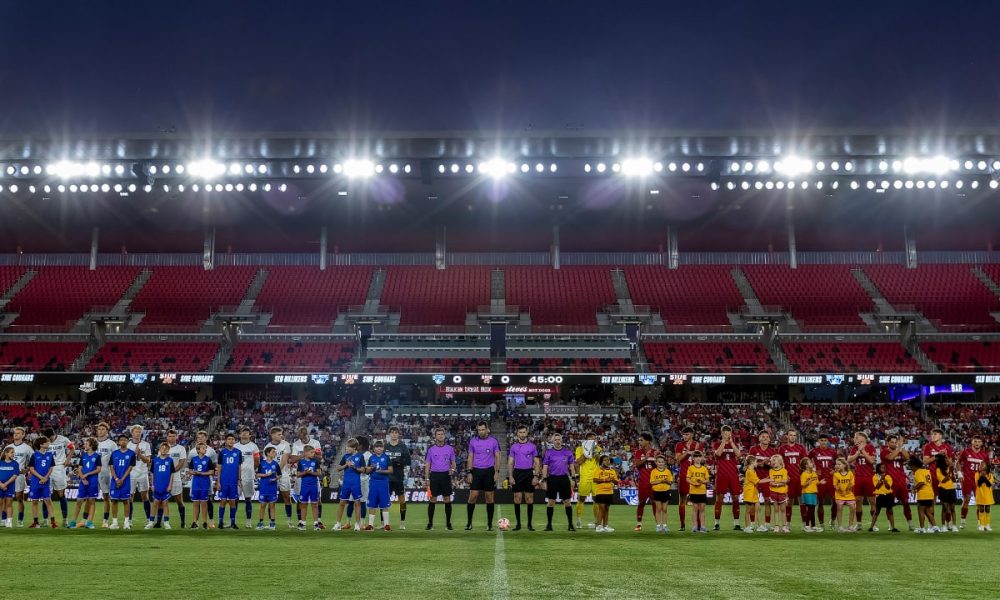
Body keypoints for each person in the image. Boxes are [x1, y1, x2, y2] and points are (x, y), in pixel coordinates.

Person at [465, 421, 501, 531]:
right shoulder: (473, 441)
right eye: (479, 430)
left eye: (482, 429)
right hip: (476, 471)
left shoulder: (494, 441)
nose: (481, 432)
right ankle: (469, 523)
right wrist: (469, 472)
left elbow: (497, 456)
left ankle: (489, 524)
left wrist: (497, 472)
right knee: (473, 496)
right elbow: (470, 457)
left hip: (489, 471)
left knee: (489, 498)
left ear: (487, 429)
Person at [541, 432, 576, 532]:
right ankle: (549, 525)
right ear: (552, 441)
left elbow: (572, 467)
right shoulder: (549, 452)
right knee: (551, 502)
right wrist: (544, 480)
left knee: (567, 502)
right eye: (555, 439)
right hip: (552, 479)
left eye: (559, 439)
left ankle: (570, 525)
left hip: (564, 479)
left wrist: (573, 479)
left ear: (561, 440)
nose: (557, 441)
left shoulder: (567, 452)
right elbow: (545, 467)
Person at [507, 423, 539, 531]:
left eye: (524, 432)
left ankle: (529, 524)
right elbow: (510, 462)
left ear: (527, 433)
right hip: (517, 473)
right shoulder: (513, 447)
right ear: (517, 434)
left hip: (529, 473)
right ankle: (518, 524)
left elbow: (537, 462)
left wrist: (536, 476)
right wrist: (510, 476)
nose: (522, 434)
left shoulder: (532, 446)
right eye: (520, 432)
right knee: (517, 498)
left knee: (529, 499)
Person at [424, 427, 456, 531]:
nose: (440, 436)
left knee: (447, 499)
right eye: (438, 434)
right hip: (434, 476)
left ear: (444, 435)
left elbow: (453, 462)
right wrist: (427, 479)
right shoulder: (431, 449)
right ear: (435, 436)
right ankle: (430, 523)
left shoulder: (450, 449)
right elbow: (427, 464)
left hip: (445, 476)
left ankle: (448, 523)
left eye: (442, 434)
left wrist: (452, 468)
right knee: (433, 499)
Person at [292, 426, 324, 529]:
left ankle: (317, 521)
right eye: (301, 438)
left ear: (307, 434)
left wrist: (313, 456)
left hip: (313, 482)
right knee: (301, 501)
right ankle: (301, 521)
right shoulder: (296, 445)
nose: (303, 440)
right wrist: (303, 457)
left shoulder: (315, 443)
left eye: (304, 437)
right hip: (302, 481)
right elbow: (292, 460)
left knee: (316, 501)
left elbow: (320, 458)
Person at [880, 434, 913, 531]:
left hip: (901, 481)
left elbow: (907, 457)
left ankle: (910, 524)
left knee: (906, 503)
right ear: (888, 443)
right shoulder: (884, 451)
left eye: (895, 442)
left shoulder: (899, 450)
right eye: (892, 442)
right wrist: (899, 448)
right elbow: (890, 458)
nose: (894, 444)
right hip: (890, 482)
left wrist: (901, 447)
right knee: (889, 504)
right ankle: (891, 525)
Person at [711, 425, 742, 531]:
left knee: (735, 499)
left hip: (733, 475)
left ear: (731, 433)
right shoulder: (716, 444)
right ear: (721, 434)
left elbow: (739, 454)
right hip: (721, 475)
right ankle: (716, 523)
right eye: (724, 433)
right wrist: (724, 441)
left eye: (728, 432)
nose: (727, 434)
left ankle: (736, 523)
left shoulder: (735, 444)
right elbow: (718, 454)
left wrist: (732, 442)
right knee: (719, 499)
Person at [922, 428, 954, 527]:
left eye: (935, 434)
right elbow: (925, 461)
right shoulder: (928, 446)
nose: (932, 436)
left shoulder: (947, 447)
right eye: (932, 434)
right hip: (932, 476)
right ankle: (931, 524)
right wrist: (937, 455)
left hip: (944, 477)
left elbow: (951, 463)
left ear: (940, 436)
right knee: (932, 501)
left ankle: (947, 524)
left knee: (947, 503)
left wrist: (945, 457)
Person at [263, 426, 294, 528]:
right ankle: (271, 523)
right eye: (279, 434)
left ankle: (289, 521)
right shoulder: (267, 447)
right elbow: (267, 462)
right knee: (270, 500)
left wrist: (277, 472)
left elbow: (284, 460)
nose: (281, 436)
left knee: (286, 497)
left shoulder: (285, 444)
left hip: (283, 474)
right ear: (272, 435)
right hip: (271, 475)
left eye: (281, 434)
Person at [42, 427, 73, 527]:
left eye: (50, 438)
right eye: (47, 439)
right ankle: (46, 520)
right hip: (47, 468)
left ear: (54, 434)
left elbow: (72, 448)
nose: (49, 440)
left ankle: (65, 519)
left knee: (61, 494)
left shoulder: (63, 439)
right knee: (46, 495)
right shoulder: (44, 441)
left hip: (59, 467)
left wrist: (68, 459)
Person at [748, 431, 778, 532]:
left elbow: (775, 466)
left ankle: (767, 525)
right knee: (752, 502)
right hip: (755, 479)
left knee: (767, 501)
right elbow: (749, 463)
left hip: (766, 479)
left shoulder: (773, 451)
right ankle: (752, 524)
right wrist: (762, 463)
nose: (765, 438)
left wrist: (768, 464)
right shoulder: (753, 449)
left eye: (767, 437)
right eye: (763, 436)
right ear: (759, 438)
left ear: (769, 439)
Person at [958, 435, 990, 529]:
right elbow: (958, 463)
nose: (977, 443)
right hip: (967, 480)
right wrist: (960, 474)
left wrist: (986, 477)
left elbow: (987, 467)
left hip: (979, 481)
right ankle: (963, 521)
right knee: (966, 500)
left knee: (980, 502)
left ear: (982, 443)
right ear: (972, 442)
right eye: (975, 441)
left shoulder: (984, 454)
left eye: (979, 442)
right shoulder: (966, 452)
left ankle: (980, 523)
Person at [674, 427, 702, 532]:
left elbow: (702, 460)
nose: (684, 436)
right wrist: (688, 451)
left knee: (698, 501)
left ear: (691, 434)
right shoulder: (679, 445)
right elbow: (677, 460)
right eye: (683, 434)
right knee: (682, 500)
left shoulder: (698, 445)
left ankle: (698, 525)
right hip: (684, 476)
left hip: (696, 476)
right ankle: (682, 525)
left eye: (686, 434)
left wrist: (696, 452)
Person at [847, 431, 877, 531]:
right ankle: (859, 523)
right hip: (858, 477)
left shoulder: (871, 447)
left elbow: (872, 461)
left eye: (856, 437)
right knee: (858, 500)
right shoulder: (854, 448)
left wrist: (862, 451)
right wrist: (857, 452)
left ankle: (873, 524)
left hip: (869, 477)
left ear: (863, 438)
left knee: (872, 501)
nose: (854, 439)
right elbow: (849, 460)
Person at [808, 433, 838, 530]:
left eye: (825, 440)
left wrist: (835, 470)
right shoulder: (813, 451)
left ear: (828, 441)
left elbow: (839, 463)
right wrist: (813, 470)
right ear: (818, 441)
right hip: (820, 480)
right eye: (822, 440)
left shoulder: (833, 451)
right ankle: (821, 523)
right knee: (820, 502)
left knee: (835, 502)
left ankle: (833, 520)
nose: (823, 442)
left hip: (831, 480)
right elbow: (806, 462)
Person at [384, 425, 412, 530]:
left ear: (398, 434)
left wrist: (400, 463)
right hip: (387, 477)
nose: (394, 434)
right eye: (392, 432)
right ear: (389, 434)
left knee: (402, 499)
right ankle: (384, 522)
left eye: (396, 432)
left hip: (398, 477)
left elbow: (408, 461)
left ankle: (402, 522)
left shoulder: (403, 446)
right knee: (384, 500)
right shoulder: (386, 446)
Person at [335, 438, 366, 531]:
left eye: (348, 447)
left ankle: (357, 524)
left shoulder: (360, 456)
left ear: (354, 448)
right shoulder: (345, 456)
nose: (346, 449)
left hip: (355, 483)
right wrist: (345, 465)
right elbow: (338, 468)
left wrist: (354, 467)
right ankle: (338, 524)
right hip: (346, 483)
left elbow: (363, 469)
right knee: (341, 503)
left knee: (357, 503)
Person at [70, 438, 101, 529]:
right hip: (83, 481)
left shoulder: (97, 456)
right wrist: (83, 478)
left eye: (87, 443)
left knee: (91, 501)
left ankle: (89, 522)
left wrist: (87, 474)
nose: (85, 445)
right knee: (79, 501)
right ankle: (73, 521)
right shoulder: (83, 455)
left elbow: (99, 469)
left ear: (91, 445)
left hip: (93, 481)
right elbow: (79, 469)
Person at [26, 436, 56, 529]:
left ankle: (53, 522)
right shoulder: (34, 455)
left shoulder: (50, 455)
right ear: (41, 445)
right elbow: (31, 469)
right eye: (46, 442)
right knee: (34, 502)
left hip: (46, 481)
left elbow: (51, 467)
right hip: (35, 482)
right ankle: (35, 522)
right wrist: (40, 477)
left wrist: (45, 477)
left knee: (48, 501)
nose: (48, 444)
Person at [779, 429, 807, 527]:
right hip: (788, 479)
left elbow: (805, 463)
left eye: (794, 435)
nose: (792, 437)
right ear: (787, 436)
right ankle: (788, 524)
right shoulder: (782, 449)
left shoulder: (801, 448)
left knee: (802, 502)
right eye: (790, 435)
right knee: (789, 502)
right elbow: (780, 464)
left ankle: (805, 524)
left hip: (800, 479)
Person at [108, 434, 137, 530]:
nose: (123, 441)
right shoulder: (114, 453)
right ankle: (115, 522)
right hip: (114, 480)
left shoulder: (132, 454)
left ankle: (126, 522)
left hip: (126, 481)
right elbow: (111, 467)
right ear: (119, 442)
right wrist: (116, 479)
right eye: (121, 440)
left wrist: (122, 479)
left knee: (126, 501)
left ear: (127, 441)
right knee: (114, 501)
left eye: (125, 440)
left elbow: (130, 468)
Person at [127, 424, 153, 527]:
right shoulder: (128, 445)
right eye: (136, 431)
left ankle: (148, 519)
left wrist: (140, 455)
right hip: (131, 473)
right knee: (130, 497)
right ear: (132, 433)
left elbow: (148, 460)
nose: (137, 433)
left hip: (142, 473)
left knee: (144, 496)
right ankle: (128, 520)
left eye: (139, 431)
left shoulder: (146, 445)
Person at [632, 432, 659, 532]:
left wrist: (656, 459)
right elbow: (637, 464)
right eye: (639, 440)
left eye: (641, 440)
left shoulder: (656, 452)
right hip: (643, 482)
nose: (639, 442)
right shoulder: (638, 452)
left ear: (648, 441)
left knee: (655, 503)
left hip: (653, 482)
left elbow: (661, 466)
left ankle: (658, 524)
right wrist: (646, 458)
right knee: (641, 503)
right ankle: (639, 524)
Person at [235, 427, 261, 529]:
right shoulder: (235, 446)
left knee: (248, 499)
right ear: (240, 434)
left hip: (249, 476)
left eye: (247, 433)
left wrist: (251, 469)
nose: (244, 434)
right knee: (234, 499)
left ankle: (248, 521)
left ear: (250, 435)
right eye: (243, 432)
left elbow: (257, 461)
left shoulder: (254, 446)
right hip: (236, 477)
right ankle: (233, 521)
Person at [216, 432, 243, 529]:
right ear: (226, 441)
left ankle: (232, 522)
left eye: (232, 439)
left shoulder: (238, 452)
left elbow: (239, 467)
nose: (231, 441)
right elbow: (219, 468)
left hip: (234, 481)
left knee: (232, 502)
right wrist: (218, 481)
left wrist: (239, 479)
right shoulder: (222, 452)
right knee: (223, 501)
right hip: (224, 481)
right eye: (229, 439)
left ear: (235, 441)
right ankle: (220, 522)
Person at [574, 432, 601, 529]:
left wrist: (594, 452)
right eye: (591, 439)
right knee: (581, 499)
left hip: (595, 477)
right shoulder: (579, 449)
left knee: (596, 500)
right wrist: (586, 452)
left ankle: (596, 522)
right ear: (586, 440)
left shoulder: (597, 448)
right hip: (585, 477)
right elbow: (579, 462)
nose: (593, 441)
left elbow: (599, 461)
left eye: (594, 439)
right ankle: (578, 519)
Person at [365, 440, 393, 532]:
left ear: (383, 448)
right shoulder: (371, 458)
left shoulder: (386, 458)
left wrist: (381, 471)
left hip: (383, 483)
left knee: (384, 504)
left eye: (380, 447)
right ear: (374, 449)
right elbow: (367, 471)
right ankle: (370, 525)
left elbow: (390, 470)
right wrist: (371, 468)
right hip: (373, 482)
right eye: (377, 447)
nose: (379, 448)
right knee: (372, 504)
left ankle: (386, 525)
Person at [94, 422, 118, 528]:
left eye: (103, 429)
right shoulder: (92, 442)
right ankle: (87, 520)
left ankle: (105, 520)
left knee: (106, 497)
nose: (101, 431)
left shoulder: (112, 444)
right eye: (99, 429)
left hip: (106, 474)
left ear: (107, 431)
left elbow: (116, 460)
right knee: (89, 498)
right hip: (92, 474)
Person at [148, 442, 175, 529]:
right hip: (157, 485)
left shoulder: (170, 460)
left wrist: (170, 485)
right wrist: (152, 484)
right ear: (159, 449)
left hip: (165, 485)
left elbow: (172, 474)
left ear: (168, 450)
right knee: (155, 503)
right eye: (162, 448)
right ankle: (151, 522)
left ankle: (166, 522)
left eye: (166, 449)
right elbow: (151, 473)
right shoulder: (155, 460)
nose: (164, 450)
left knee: (165, 503)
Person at [188, 442, 215, 529]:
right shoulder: (194, 459)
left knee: (204, 503)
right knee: (195, 503)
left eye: (205, 448)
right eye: (203, 448)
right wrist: (194, 472)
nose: (205, 449)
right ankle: (195, 522)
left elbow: (212, 472)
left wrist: (202, 473)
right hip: (196, 484)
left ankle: (204, 522)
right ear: (198, 450)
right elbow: (190, 470)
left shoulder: (208, 459)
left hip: (205, 484)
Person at [10, 426, 32, 528]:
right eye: (15, 433)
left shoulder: (27, 448)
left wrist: (27, 470)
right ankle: (5, 520)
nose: (16, 434)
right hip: (7, 475)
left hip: (19, 476)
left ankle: (20, 520)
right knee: (5, 498)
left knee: (19, 498)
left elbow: (35, 461)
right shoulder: (8, 447)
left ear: (23, 435)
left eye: (18, 433)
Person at [910, 456, 939, 533]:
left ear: (914, 466)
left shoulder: (918, 472)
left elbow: (921, 482)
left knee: (921, 511)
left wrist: (914, 488)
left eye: (911, 467)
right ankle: (935, 527)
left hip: (923, 494)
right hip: (930, 493)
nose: (911, 469)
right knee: (928, 512)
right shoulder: (927, 471)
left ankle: (922, 528)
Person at [165, 429, 188, 528]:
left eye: (173, 436)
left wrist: (172, 471)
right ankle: (164, 522)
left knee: (179, 500)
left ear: (176, 437)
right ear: (167, 437)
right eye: (170, 436)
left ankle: (183, 522)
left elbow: (182, 462)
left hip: (176, 477)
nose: (171, 438)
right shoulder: (163, 448)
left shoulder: (181, 448)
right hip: (164, 478)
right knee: (163, 500)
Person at [296, 445, 322, 531]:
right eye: (311, 452)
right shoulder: (301, 462)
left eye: (313, 452)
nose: (313, 454)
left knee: (315, 505)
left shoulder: (316, 461)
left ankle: (316, 524)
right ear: (305, 453)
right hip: (304, 486)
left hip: (314, 486)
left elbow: (319, 473)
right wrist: (305, 472)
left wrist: (311, 473)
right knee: (303, 505)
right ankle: (303, 523)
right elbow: (298, 475)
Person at [256, 446, 280, 530]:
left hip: (272, 487)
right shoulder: (262, 463)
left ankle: (272, 523)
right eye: (273, 452)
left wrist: (275, 478)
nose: (275, 453)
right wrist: (266, 475)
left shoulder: (276, 464)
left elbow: (279, 475)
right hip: (264, 487)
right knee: (262, 505)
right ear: (268, 453)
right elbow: (258, 474)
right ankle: (260, 522)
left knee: (272, 505)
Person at [592, 454, 618, 533]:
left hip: (609, 491)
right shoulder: (598, 470)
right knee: (602, 508)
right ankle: (598, 526)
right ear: (601, 462)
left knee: (606, 509)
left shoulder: (612, 471)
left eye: (608, 460)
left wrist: (612, 480)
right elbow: (595, 480)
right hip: (601, 491)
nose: (607, 462)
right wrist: (605, 480)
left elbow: (616, 482)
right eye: (605, 460)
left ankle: (605, 526)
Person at [686, 451, 710, 534]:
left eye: (699, 457)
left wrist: (702, 481)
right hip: (694, 491)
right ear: (693, 458)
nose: (698, 458)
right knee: (695, 509)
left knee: (702, 509)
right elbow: (687, 478)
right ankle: (695, 526)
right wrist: (694, 483)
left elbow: (707, 480)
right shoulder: (691, 468)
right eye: (696, 457)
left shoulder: (704, 468)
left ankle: (703, 526)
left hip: (702, 491)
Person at [741, 455, 766, 533]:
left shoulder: (752, 471)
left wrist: (767, 478)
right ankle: (747, 527)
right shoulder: (749, 471)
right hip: (749, 492)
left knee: (758, 508)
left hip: (754, 492)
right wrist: (770, 479)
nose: (757, 463)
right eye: (756, 461)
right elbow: (758, 481)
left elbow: (757, 480)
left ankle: (760, 526)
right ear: (752, 462)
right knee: (748, 510)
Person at [870, 462, 898, 533]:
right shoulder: (875, 477)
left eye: (885, 467)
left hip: (888, 495)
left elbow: (888, 487)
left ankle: (893, 527)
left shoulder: (888, 477)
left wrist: (884, 480)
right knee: (877, 511)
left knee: (890, 511)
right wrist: (881, 479)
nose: (884, 469)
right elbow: (877, 487)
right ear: (878, 468)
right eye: (882, 467)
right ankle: (871, 527)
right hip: (879, 495)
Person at [650, 454, 674, 533]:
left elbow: (670, 482)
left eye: (662, 462)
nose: (661, 463)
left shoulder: (667, 471)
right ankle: (658, 526)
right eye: (659, 462)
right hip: (657, 491)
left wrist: (666, 481)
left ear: (664, 463)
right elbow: (652, 482)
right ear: (656, 463)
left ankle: (664, 525)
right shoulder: (653, 471)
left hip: (665, 491)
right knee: (658, 509)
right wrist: (661, 481)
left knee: (665, 509)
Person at [832, 457, 856, 533]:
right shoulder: (836, 474)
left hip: (849, 494)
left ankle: (850, 526)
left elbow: (852, 484)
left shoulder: (850, 473)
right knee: (839, 508)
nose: (837, 465)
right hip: (839, 495)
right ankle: (840, 527)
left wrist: (846, 489)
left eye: (839, 464)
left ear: (845, 465)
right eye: (836, 464)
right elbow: (835, 485)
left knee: (852, 508)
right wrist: (839, 489)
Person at [935, 454, 957, 533]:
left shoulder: (949, 468)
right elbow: (943, 480)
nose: (948, 461)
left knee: (952, 508)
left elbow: (953, 479)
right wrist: (950, 472)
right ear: (942, 462)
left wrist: (953, 475)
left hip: (952, 489)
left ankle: (954, 525)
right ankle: (943, 526)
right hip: (943, 489)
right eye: (946, 460)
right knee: (944, 508)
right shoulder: (938, 469)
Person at [768, 454, 790, 534]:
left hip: (782, 493)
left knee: (783, 510)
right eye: (772, 460)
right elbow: (771, 482)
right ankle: (776, 526)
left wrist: (776, 483)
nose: (773, 462)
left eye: (774, 460)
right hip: (773, 492)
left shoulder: (784, 470)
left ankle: (784, 526)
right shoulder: (771, 471)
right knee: (776, 510)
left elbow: (785, 481)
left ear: (780, 462)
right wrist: (780, 482)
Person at [799, 457, 821, 532]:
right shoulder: (804, 474)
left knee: (812, 509)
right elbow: (802, 485)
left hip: (814, 492)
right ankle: (807, 526)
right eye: (810, 463)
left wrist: (820, 482)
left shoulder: (814, 473)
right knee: (810, 510)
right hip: (807, 493)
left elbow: (816, 482)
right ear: (806, 465)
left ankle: (813, 526)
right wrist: (809, 481)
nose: (812, 464)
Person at [0, 445, 18, 527]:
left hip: (10, 486)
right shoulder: (0, 462)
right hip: (0, 486)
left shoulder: (15, 464)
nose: (13, 454)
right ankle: (2, 520)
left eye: (13, 452)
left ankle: (9, 521)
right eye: (12, 452)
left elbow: (14, 476)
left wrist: (5, 484)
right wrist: (1, 484)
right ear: (6, 453)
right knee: (1, 503)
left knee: (9, 503)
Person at [974, 459, 994, 532]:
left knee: (988, 509)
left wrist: (984, 477)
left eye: (983, 464)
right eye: (981, 465)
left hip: (988, 494)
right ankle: (981, 525)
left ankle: (987, 525)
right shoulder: (977, 474)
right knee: (981, 509)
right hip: (980, 494)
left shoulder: (990, 475)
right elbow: (978, 484)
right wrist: (982, 476)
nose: (982, 466)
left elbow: (989, 484)